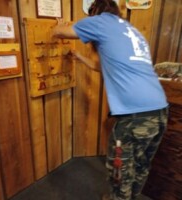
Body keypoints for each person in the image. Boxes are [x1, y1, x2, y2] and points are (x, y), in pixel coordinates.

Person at [52, 0, 169, 199]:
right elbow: (102, 66)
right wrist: (80, 57)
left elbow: (59, 32)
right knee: (140, 164)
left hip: (135, 116)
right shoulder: (130, 31)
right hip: (160, 111)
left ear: (96, 11)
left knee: (120, 172)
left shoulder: (100, 21)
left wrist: (61, 25)